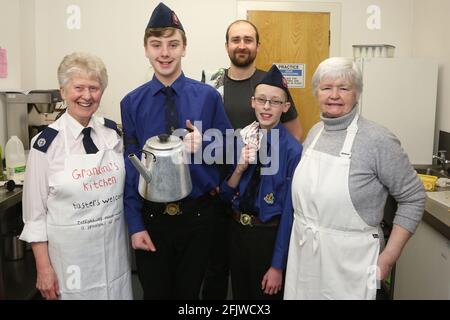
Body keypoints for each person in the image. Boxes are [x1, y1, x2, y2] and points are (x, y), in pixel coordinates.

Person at [284, 57, 426, 300]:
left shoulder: (378, 139)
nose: (334, 95)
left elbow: (414, 198)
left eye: (344, 88)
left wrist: (389, 256)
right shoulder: (315, 132)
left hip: (354, 261)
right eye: (327, 87)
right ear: (317, 92)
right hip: (306, 253)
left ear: (357, 93)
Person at [120, 2, 232, 300]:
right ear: (146, 49)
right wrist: (134, 223)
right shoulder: (132, 103)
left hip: (197, 218)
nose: (165, 53)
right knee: (154, 294)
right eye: (156, 45)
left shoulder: (208, 97)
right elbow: (131, 168)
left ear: (184, 48)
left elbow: (232, 151)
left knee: (188, 297)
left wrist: (206, 145)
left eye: (173, 44)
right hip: (152, 219)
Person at [20, 52, 132, 300]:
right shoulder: (45, 145)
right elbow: (35, 216)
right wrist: (43, 268)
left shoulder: (113, 135)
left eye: (94, 87)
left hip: (114, 260)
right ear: (62, 91)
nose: (87, 95)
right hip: (69, 265)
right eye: (78, 87)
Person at [220, 65, 302, 300]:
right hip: (238, 234)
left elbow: (289, 213)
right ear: (252, 102)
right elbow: (225, 197)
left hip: (268, 238)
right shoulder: (241, 140)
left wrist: (277, 266)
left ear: (285, 107)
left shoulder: (292, 151)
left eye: (275, 102)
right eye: (262, 100)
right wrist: (239, 168)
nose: (266, 107)